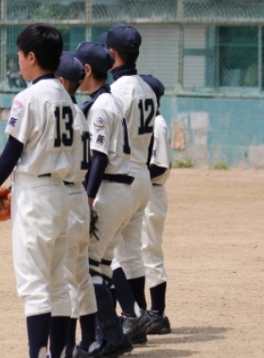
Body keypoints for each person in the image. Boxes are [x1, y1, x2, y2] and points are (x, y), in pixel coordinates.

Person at [0, 24, 75, 358]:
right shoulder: (65, 97)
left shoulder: (28, 98)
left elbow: (12, 152)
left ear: (32, 57)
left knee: (34, 287)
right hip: (61, 193)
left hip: (35, 195)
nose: (18, 60)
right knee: (58, 284)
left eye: (19, 55)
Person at [73, 41, 135, 357]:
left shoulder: (100, 107)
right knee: (103, 266)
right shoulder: (109, 101)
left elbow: (99, 157)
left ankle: (111, 337)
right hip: (123, 190)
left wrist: (87, 197)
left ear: (87, 70)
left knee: (86, 267)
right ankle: (110, 336)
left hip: (109, 190)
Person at [104, 24, 157, 343]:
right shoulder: (147, 89)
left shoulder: (115, 93)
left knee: (103, 254)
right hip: (142, 176)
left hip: (120, 177)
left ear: (112, 54)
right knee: (132, 253)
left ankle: (131, 316)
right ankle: (140, 322)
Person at [53, 53, 97, 358]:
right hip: (80, 195)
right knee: (82, 276)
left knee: (66, 279)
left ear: (60, 81)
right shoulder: (79, 114)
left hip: (66, 196)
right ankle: (90, 341)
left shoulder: (61, 113)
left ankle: (67, 349)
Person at [140, 74, 172, 335]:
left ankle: (158, 314)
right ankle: (142, 313)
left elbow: (159, 165)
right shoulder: (147, 122)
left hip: (152, 192)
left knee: (149, 251)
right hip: (143, 191)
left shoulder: (158, 124)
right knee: (136, 252)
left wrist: (134, 177)